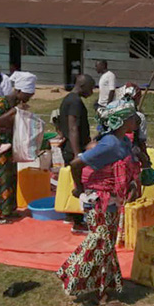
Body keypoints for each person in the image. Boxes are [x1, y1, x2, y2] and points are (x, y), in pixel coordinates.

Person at [56, 100, 141, 306]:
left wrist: (130, 185)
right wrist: (79, 187)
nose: (136, 119)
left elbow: (127, 168)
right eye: (131, 117)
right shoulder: (109, 144)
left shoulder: (124, 142)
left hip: (113, 200)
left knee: (106, 245)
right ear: (121, 121)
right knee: (101, 244)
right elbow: (76, 164)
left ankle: (102, 288)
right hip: (99, 201)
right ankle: (91, 286)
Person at [0, 72, 37, 224]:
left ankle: (8, 210)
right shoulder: (2, 102)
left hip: (10, 145)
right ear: (19, 91)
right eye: (27, 95)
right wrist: (15, 111)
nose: (29, 98)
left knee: (10, 179)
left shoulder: (15, 104)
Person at [57, 75, 95, 232]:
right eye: (91, 88)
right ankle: (79, 223)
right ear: (83, 86)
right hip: (73, 149)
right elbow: (73, 128)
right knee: (80, 185)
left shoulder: (68, 99)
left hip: (70, 147)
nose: (92, 92)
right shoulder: (75, 102)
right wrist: (77, 154)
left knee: (74, 182)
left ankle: (71, 216)